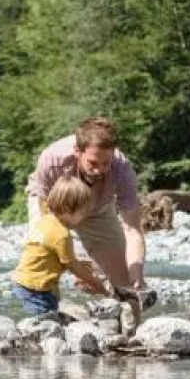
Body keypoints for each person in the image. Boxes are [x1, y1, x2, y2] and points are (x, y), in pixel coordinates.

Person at [27, 117, 148, 295]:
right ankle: (47, 316)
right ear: (78, 151)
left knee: (124, 278)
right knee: (45, 257)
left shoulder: (122, 170)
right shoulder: (52, 160)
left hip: (98, 209)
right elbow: (47, 217)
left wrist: (136, 272)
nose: (99, 170)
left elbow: (132, 231)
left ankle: (130, 319)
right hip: (55, 204)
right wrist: (75, 265)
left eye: (105, 163)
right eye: (92, 163)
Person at [12, 175, 112, 316]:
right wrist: (96, 283)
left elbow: (53, 255)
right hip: (34, 287)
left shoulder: (46, 220)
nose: (83, 217)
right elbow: (71, 265)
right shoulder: (62, 235)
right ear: (67, 208)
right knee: (45, 321)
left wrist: (79, 262)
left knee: (53, 313)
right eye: (82, 212)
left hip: (25, 281)